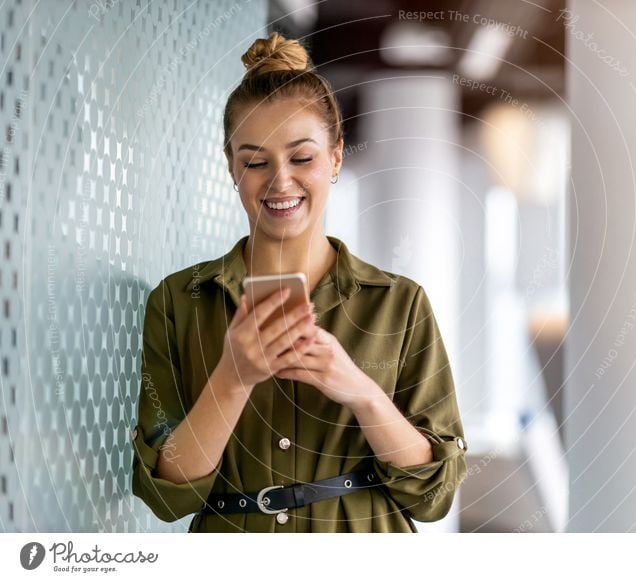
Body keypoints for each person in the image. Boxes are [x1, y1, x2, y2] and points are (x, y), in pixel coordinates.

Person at [131, 32, 468, 533]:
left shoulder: (400, 303)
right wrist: (234, 376)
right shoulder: (178, 302)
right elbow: (166, 494)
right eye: (255, 162)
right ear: (231, 168)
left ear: (335, 158)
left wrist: (360, 391)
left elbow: (433, 495)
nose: (280, 181)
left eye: (302, 158)